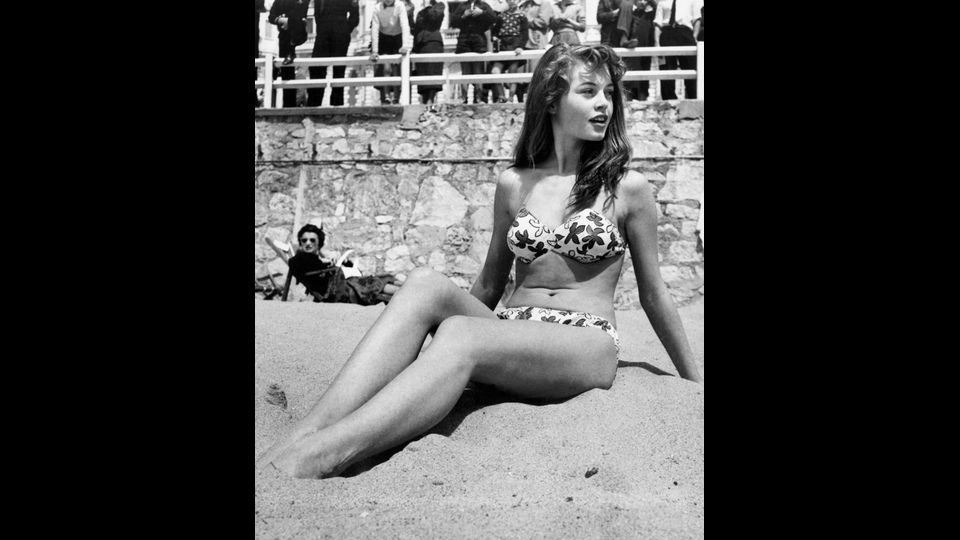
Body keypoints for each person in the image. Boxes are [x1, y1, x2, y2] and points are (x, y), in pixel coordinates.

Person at [258, 43, 703, 479]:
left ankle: (325, 455)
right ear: (551, 99)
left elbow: (654, 293)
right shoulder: (514, 183)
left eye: (609, 93)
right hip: (511, 330)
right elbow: (490, 283)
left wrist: (693, 384)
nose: (604, 103)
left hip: (583, 343)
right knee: (425, 283)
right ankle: (308, 429)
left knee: (462, 334)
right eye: (588, 92)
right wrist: (435, 361)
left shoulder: (627, 188)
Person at [284, 224, 400, 305]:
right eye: (304, 240)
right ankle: (405, 291)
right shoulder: (298, 259)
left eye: (312, 240)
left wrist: (341, 261)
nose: (308, 243)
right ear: (300, 242)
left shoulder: (316, 258)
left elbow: (347, 268)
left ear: (319, 242)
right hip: (334, 292)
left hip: (341, 284)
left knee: (378, 278)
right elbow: (310, 271)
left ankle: (406, 287)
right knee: (371, 283)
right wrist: (330, 265)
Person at [307, 0, 360, 107]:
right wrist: (323, 27)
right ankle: (314, 107)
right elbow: (317, 13)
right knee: (316, 68)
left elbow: (355, 17)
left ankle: (337, 108)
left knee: (339, 71)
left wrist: (344, 29)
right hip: (323, 34)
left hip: (340, 34)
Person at [451, 0, 497, 103]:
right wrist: (463, 16)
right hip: (464, 40)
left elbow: (493, 18)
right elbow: (453, 22)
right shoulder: (462, 6)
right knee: (465, 72)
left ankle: (478, 98)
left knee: (478, 71)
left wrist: (482, 13)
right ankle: (464, 98)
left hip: (479, 39)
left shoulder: (483, 5)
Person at [654, 0, 702, 100]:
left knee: (691, 70)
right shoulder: (662, 2)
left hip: (685, 33)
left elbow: (697, 20)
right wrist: (657, 43)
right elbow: (658, 24)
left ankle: (692, 102)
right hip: (666, 33)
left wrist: (694, 37)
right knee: (666, 71)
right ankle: (669, 104)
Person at [268, 0, 310, 108]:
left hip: (299, 38)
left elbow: (301, 13)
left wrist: (289, 21)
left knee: (302, 74)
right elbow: (271, 17)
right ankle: (288, 106)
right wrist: (281, 20)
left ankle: (299, 104)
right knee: (287, 74)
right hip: (284, 39)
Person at [370, 0, 413, 105]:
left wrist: (405, 45)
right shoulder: (377, 8)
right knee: (386, 68)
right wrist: (374, 51)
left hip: (398, 36)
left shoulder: (400, 5)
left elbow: (405, 25)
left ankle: (397, 97)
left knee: (396, 68)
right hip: (384, 38)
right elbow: (375, 29)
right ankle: (386, 95)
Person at [615, 0, 657, 102]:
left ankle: (643, 97)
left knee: (644, 70)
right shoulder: (628, 6)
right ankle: (629, 98)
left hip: (646, 45)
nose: (642, 2)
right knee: (630, 71)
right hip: (631, 46)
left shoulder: (651, 11)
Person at [488, 0, 528, 103]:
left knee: (512, 72)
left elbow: (525, 34)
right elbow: (494, 32)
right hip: (502, 46)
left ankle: (510, 97)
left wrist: (521, 47)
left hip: (515, 46)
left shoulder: (521, 17)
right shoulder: (500, 17)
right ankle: (502, 95)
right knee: (495, 72)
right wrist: (495, 38)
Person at [412, 1, 447, 105]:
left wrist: (429, 6)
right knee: (422, 73)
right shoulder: (420, 11)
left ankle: (430, 101)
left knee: (433, 72)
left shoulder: (439, 6)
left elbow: (434, 16)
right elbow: (416, 29)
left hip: (433, 42)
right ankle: (425, 101)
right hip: (421, 44)